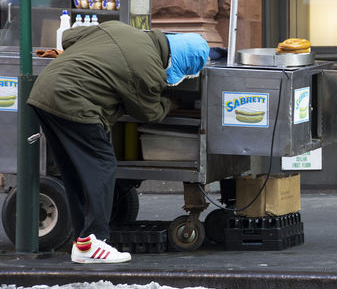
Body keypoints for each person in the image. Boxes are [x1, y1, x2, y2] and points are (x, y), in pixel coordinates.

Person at [27, 20, 209, 263]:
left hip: (44, 92)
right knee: (102, 165)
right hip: (73, 101)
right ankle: (95, 239)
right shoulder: (149, 69)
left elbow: (69, 37)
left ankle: (82, 244)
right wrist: (170, 104)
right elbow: (148, 112)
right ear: (176, 61)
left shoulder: (118, 27)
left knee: (75, 173)